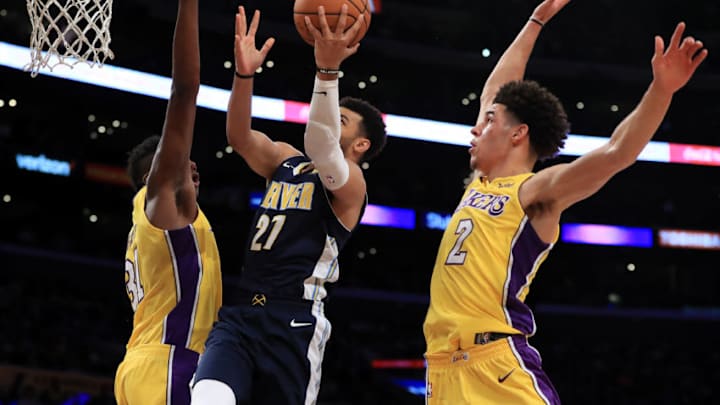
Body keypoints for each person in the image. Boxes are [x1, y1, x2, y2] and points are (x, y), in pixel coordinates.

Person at [422, 0, 708, 403]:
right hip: (442, 371)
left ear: (518, 134)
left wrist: (661, 90)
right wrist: (536, 20)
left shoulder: (536, 192)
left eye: (488, 120)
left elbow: (616, 153)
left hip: (496, 365)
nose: (476, 127)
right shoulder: (477, 184)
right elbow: (497, 91)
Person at [190, 5, 386, 405]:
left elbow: (323, 145)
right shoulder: (285, 160)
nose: (332, 121)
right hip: (242, 312)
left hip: (294, 320)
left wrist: (327, 72)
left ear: (362, 144)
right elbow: (239, 136)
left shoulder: (352, 184)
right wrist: (244, 75)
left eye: (343, 120)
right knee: (208, 396)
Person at [113, 0, 222, 403]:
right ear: (155, 173)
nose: (192, 167)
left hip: (149, 364)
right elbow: (184, 92)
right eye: (181, 162)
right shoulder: (159, 201)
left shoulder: (157, 222)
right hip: (167, 364)